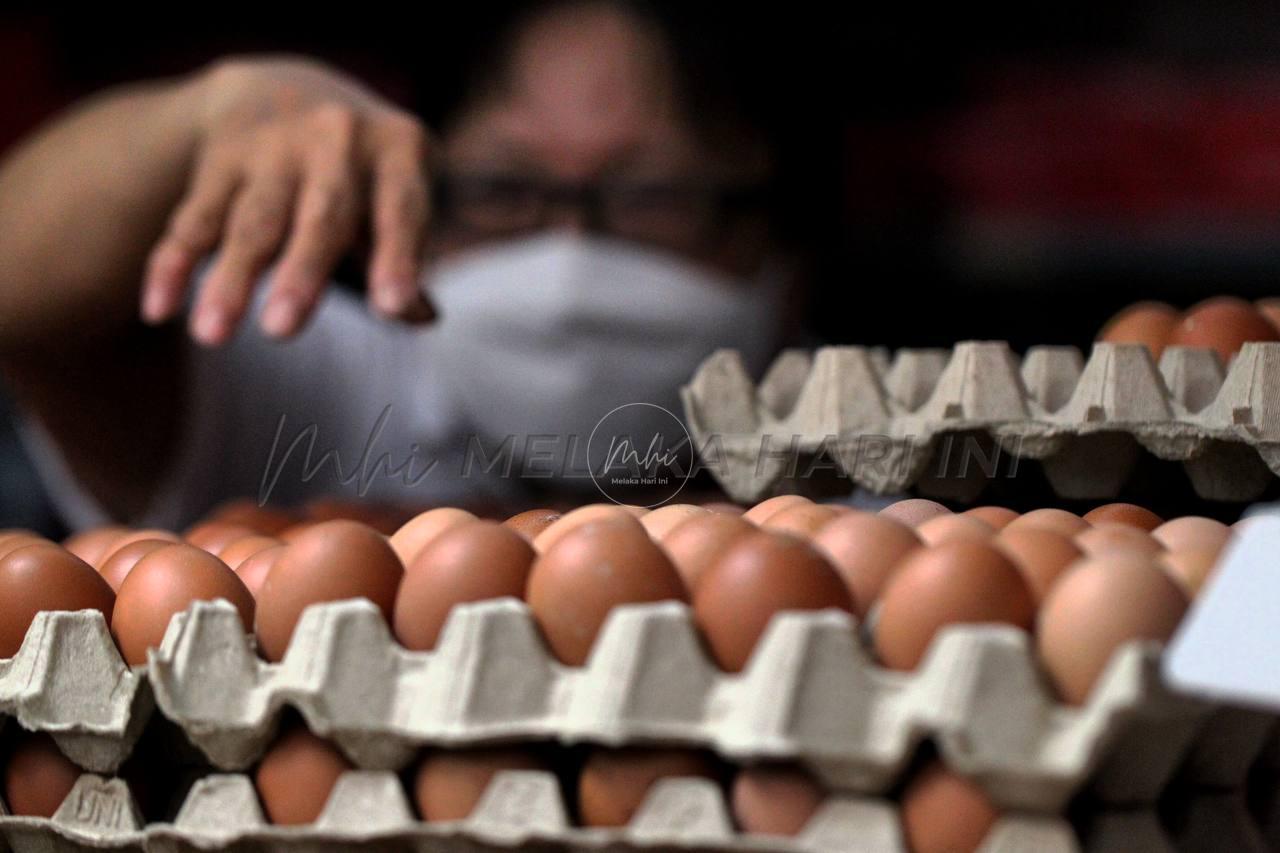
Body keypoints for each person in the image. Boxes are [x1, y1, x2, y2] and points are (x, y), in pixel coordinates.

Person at [0, 1, 804, 529]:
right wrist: (201, 118)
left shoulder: (862, 491)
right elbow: (19, 287)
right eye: (501, 187)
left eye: (653, 193)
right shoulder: (322, 389)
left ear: (778, 246)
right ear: (419, 193)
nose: (567, 250)